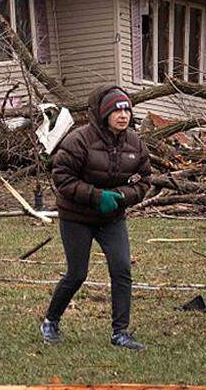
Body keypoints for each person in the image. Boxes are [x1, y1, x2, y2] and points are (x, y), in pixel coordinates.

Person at [40, 85, 149, 350]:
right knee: (77, 274)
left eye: (126, 109)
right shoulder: (79, 140)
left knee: (122, 269)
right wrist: (96, 196)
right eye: (116, 110)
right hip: (76, 216)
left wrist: (122, 196)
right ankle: (50, 321)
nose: (123, 115)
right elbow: (62, 178)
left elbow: (144, 180)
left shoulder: (134, 143)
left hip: (112, 218)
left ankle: (120, 332)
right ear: (103, 113)